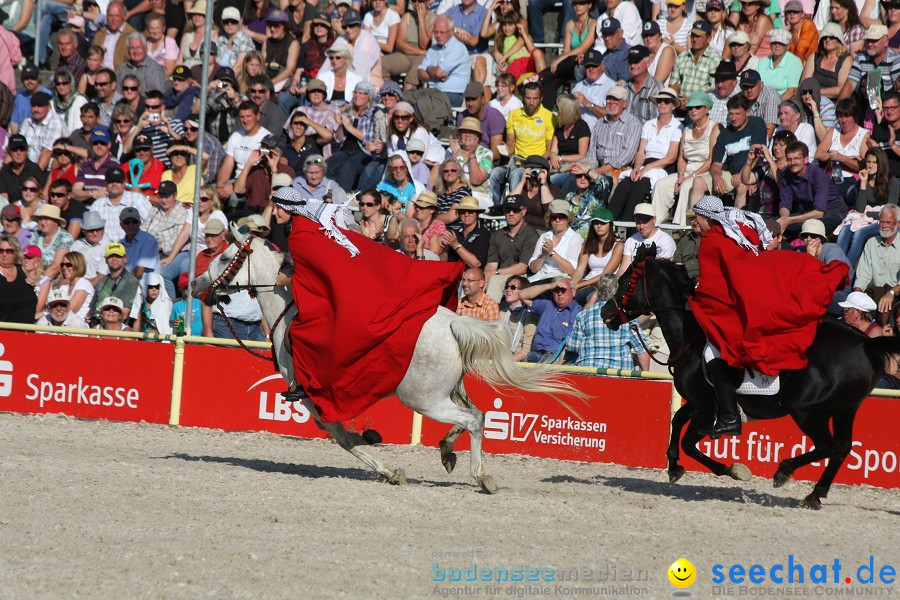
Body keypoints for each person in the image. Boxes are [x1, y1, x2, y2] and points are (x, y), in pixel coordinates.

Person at [689, 195, 849, 437]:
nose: (694, 223)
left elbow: (718, 281)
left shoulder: (714, 238)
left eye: (697, 218)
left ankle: (730, 416)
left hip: (733, 303)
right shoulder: (735, 228)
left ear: (706, 217)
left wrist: (700, 293)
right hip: (742, 292)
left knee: (713, 350)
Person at [608, 87, 683, 221]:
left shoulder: (677, 126)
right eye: (660, 101)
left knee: (640, 185)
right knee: (626, 182)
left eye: (666, 101)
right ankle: (609, 221)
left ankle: (628, 224)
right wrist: (637, 167)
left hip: (662, 168)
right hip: (645, 165)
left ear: (673, 106)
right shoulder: (649, 124)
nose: (662, 104)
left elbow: (671, 157)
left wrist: (647, 168)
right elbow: (641, 152)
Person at [653, 92, 720, 225]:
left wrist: (690, 177)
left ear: (707, 109)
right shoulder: (687, 129)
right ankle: (655, 224)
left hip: (705, 173)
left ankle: (681, 226)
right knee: (661, 185)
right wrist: (680, 176)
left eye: (697, 107)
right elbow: (682, 158)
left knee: (686, 187)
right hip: (687, 172)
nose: (693, 110)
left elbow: (711, 160)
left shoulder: (715, 127)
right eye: (690, 108)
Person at [690, 94, 767, 209]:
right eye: (731, 114)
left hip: (755, 169)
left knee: (742, 183)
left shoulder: (757, 124)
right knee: (698, 182)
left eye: (737, 114)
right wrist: (717, 178)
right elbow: (716, 164)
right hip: (732, 174)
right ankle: (694, 221)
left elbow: (757, 155)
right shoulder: (725, 135)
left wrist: (741, 174)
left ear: (747, 112)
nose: (733, 118)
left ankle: (736, 223)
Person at [565, 274, 650, 370]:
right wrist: (646, 375)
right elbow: (642, 349)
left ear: (599, 291)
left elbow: (572, 346)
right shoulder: (626, 317)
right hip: (618, 375)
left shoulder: (583, 315)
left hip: (588, 372)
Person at [836, 148, 899, 266]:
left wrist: (867, 215)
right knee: (845, 230)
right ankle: (836, 265)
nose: (870, 166)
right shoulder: (862, 179)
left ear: (881, 164)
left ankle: (846, 270)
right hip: (864, 218)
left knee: (860, 234)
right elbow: (860, 208)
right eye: (868, 162)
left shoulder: (892, 182)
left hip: (882, 220)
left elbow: (890, 212)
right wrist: (863, 183)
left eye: (874, 162)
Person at [779, 140, 849, 239]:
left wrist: (789, 220)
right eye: (789, 159)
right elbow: (785, 204)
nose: (792, 163)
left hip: (833, 212)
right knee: (776, 227)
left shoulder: (818, 175)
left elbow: (819, 212)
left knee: (812, 227)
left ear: (806, 159)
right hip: (809, 212)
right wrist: (783, 219)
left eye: (796, 158)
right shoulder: (786, 174)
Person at [538, 0, 597, 111]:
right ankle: (548, 113)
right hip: (570, 64)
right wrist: (562, 59)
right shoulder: (570, 24)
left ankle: (542, 75)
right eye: (575, 3)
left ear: (589, 5)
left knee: (549, 77)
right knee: (551, 83)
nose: (577, 6)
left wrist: (558, 60)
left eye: (582, 3)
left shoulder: (593, 23)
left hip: (584, 63)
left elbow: (583, 48)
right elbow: (566, 51)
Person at [483, 195, 540, 300]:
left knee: (495, 280)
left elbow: (523, 267)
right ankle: (462, 313)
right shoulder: (497, 235)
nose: (511, 214)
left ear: (524, 211)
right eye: (507, 210)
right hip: (501, 275)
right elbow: (491, 264)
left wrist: (495, 273)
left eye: (515, 210)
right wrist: (486, 275)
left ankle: (489, 314)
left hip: (522, 277)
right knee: (473, 279)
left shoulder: (531, 235)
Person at [517, 276, 582, 363]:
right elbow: (522, 295)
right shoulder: (548, 304)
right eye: (556, 290)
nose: (559, 293)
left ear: (573, 292)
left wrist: (557, 364)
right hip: (534, 354)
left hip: (554, 359)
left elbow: (571, 345)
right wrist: (551, 285)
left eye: (563, 290)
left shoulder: (577, 312)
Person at [854, 203, 900, 318]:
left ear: (898, 224)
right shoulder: (871, 243)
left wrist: (891, 293)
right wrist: (856, 295)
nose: (883, 226)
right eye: (881, 222)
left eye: (888, 222)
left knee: (885, 311)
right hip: (874, 293)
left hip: (896, 295)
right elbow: (864, 274)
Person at [587, 86, 642, 182]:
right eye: (608, 98)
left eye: (615, 99)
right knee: (575, 178)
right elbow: (592, 152)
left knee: (604, 182)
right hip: (598, 168)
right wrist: (590, 170)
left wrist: (599, 171)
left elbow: (627, 155)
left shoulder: (633, 124)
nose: (611, 102)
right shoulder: (600, 123)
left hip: (620, 169)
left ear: (624, 103)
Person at [571, 208, 624, 305]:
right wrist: (571, 285)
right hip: (586, 283)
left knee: (582, 298)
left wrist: (579, 285)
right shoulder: (588, 244)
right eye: (596, 223)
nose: (599, 226)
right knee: (564, 295)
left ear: (610, 225)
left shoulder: (618, 245)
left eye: (603, 223)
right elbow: (579, 270)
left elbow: (605, 274)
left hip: (605, 284)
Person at [417, 16, 470, 106]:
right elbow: (419, 73)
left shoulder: (458, 48)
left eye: (442, 32)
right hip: (433, 92)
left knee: (428, 103)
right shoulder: (432, 50)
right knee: (410, 99)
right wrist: (434, 75)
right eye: (436, 32)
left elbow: (439, 72)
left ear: (451, 32)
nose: (438, 36)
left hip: (453, 94)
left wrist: (428, 69)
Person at [838, 24, 900, 101]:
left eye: (874, 40)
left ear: (886, 42)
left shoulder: (896, 59)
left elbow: (897, 91)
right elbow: (850, 85)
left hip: (888, 105)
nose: (870, 44)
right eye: (868, 40)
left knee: (873, 78)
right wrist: (839, 109)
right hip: (865, 104)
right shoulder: (861, 58)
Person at [528, 200, 584, 283]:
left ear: (568, 219)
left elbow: (571, 270)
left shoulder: (575, 238)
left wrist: (551, 253)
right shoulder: (544, 236)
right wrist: (543, 255)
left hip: (561, 279)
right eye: (554, 217)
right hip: (540, 277)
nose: (557, 220)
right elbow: (533, 269)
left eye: (561, 216)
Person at [90, 167, 153, 241]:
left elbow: (151, 224)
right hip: (106, 249)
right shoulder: (97, 205)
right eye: (111, 181)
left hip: (134, 246)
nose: (114, 184)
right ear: (106, 183)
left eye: (117, 181)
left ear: (124, 183)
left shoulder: (137, 199)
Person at [669, 21, 722, 102]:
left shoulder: (715, 59)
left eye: (699, 36)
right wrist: (677, 100)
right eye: (693, 36)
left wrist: (691, 100)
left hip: (702, 105)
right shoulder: (682, 57)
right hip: (680, 105)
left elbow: (713, 89)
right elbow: (674, 84)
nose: (694, 39)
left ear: (709, 39)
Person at [618, 202, 677, 274]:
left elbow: (659, 271)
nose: (641, 226)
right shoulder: (631, 240)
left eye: (645, 222)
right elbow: (624, 269)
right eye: (638, 222)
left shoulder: (665, 241)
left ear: (654, 220)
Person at [89, 242, 141, 321]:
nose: (114, 259)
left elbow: (124, 314)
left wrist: (101, 320)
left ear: (125, 259)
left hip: (117, 329)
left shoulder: (131, 281)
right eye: (111, 256)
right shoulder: (102, 281)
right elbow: (92, 309)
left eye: (118, 256)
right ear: (106, 260)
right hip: (98, 325)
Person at [565, 159, 615, 238]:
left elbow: (604, 183)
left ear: (591, 178)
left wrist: (586, 170)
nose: (582, 178)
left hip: (590, 241)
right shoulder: (569, 196)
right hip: (570, 241)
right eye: (579, 175)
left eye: (586, 176)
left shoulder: (596, 194)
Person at [20, 93, 67, 172]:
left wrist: (34, 177)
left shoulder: (56, 122)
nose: (36, 109)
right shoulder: (28, 121)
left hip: (46, 171)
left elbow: (47, 152)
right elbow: (17, 147)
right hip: (25, 168)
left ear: (49, 107)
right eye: (33, 106)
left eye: (40, 106)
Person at [570, 50, 616, 131]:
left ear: (602, 66)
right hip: (577, 135)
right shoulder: (578, 86)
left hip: (599, 135)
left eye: (594, 66)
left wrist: (588, 104)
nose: (591, 69)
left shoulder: (612, 87)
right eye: (588, 66)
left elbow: (612, 116)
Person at [440, 196, 489, 268]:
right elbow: (442, 262)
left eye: (471, 211)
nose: (466, 214)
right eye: (462, 212)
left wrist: (456, 245)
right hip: (452, 274)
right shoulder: (454, 233)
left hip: (471, 277)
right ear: (459, 214)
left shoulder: (484, 234)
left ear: (477, 214)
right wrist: (444, 248)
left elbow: (476, 263)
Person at [498, 275, 538, 361]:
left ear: (523, 292)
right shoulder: (502, 313)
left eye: (513, 287)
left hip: (520, 364)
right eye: (507, 287)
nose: (508, 290)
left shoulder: (530, 316)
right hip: (502, 358)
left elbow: (525, 352)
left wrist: (505, 363)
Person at [0, 235, 37, 324]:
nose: (4, 254)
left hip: (27, 332)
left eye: (9, 251)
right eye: (1, 251)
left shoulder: (23, 271)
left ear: (16, 252)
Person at [119, 206, 160, 286]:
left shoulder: (149, 240)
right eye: (127, 222)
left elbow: (139, 272)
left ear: (139, 223)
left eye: (134, 221)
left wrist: (121, 286)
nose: (131, 225)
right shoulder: (120, 244)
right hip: (128, 284)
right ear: (121, 225)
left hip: (147, 286)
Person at [757, 29, 803, 99]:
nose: (777, 45)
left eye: (781, 43)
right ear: (770, 45)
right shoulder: (763, 61)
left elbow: (792, 90)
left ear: (787, 46)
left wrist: (775, 104)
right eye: (774, 42)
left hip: (782, 104)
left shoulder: (794, 62)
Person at [0, 135, 45, 204]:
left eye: (22, 149)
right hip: (10, 210)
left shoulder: (35, 170)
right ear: (8, 151)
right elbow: (4, 198)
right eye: (14, 149)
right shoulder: (5, 171)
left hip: (30, 209)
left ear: (27, 151)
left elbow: (37, 197)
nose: (18, 153)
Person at [70, 211, 111, 285]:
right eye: (91, 230)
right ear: (84, 231)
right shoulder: (77, 245)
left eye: (98, 229)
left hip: (94, 287)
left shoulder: (109, 247)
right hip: (73, 283)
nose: (95, 233)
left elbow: (101, 277)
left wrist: (82, 290)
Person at [674, 208, 702, 285]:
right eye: (692, 219)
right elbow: (677, 264)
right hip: (684, 281)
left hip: (704, 281)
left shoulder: (712, 240)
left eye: (696, 218)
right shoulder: (684, 240)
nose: (695, 222)